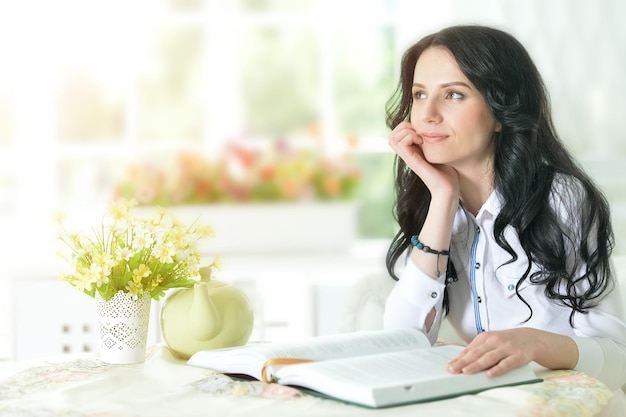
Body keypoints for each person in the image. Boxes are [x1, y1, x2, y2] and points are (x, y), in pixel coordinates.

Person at [383, 24, 626, 398]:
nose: (427, 114)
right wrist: (443, 196)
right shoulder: (438, 204)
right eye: (419, 94)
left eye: (453, 95)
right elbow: (402, 342)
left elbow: (618, 359)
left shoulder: (560, 198)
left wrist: (534, 342)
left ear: (500, 113)